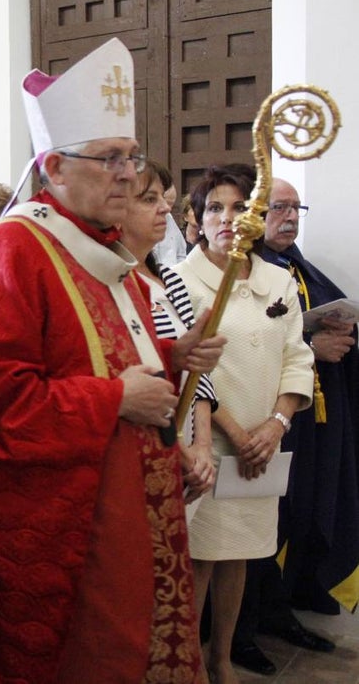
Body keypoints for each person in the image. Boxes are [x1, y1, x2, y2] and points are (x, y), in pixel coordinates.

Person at [0, 37, 225, 683]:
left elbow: (102, 353)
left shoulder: (104, 250)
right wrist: (115, 400)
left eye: (130, 157)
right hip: (76, 532)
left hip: (133, 508)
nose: (129, 174)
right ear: (53, 166)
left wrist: (171, 359)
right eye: (109, 159)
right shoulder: (16, 251)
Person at [174, 164, 314, 684]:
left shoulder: (278, 278)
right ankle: (186, 661)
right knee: (201, 558)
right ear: (197, 219)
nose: (228, 218)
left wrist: (277, 423)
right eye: (215, 208)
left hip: (264, 440)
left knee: (240, 557)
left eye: (239, 207)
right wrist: (235, 431)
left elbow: (298, 357)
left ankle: (221, 658)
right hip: (210, 438)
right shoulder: (181, 279)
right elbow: (195, 371)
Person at [228, 177, 354, 674]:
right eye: (279, 207)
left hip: (301, 424)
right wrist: (310, 343)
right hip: (253, 420)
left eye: (295, 206)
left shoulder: (297, 267)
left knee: (289, 520)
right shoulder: (243, 269)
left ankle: (277, 611)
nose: (291, 216)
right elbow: (249, 334)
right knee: (248, 530)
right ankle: (235, 633)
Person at [118, 160, 217, 500]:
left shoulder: (171, 279)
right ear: (117, 209)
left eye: (164, 199)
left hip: (189, 442)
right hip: (149, 441)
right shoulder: (114, 279)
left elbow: (196, 371)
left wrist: (202, 446)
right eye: (149, 200)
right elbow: (135, 370)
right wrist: (178, 448)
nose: (165, 209)